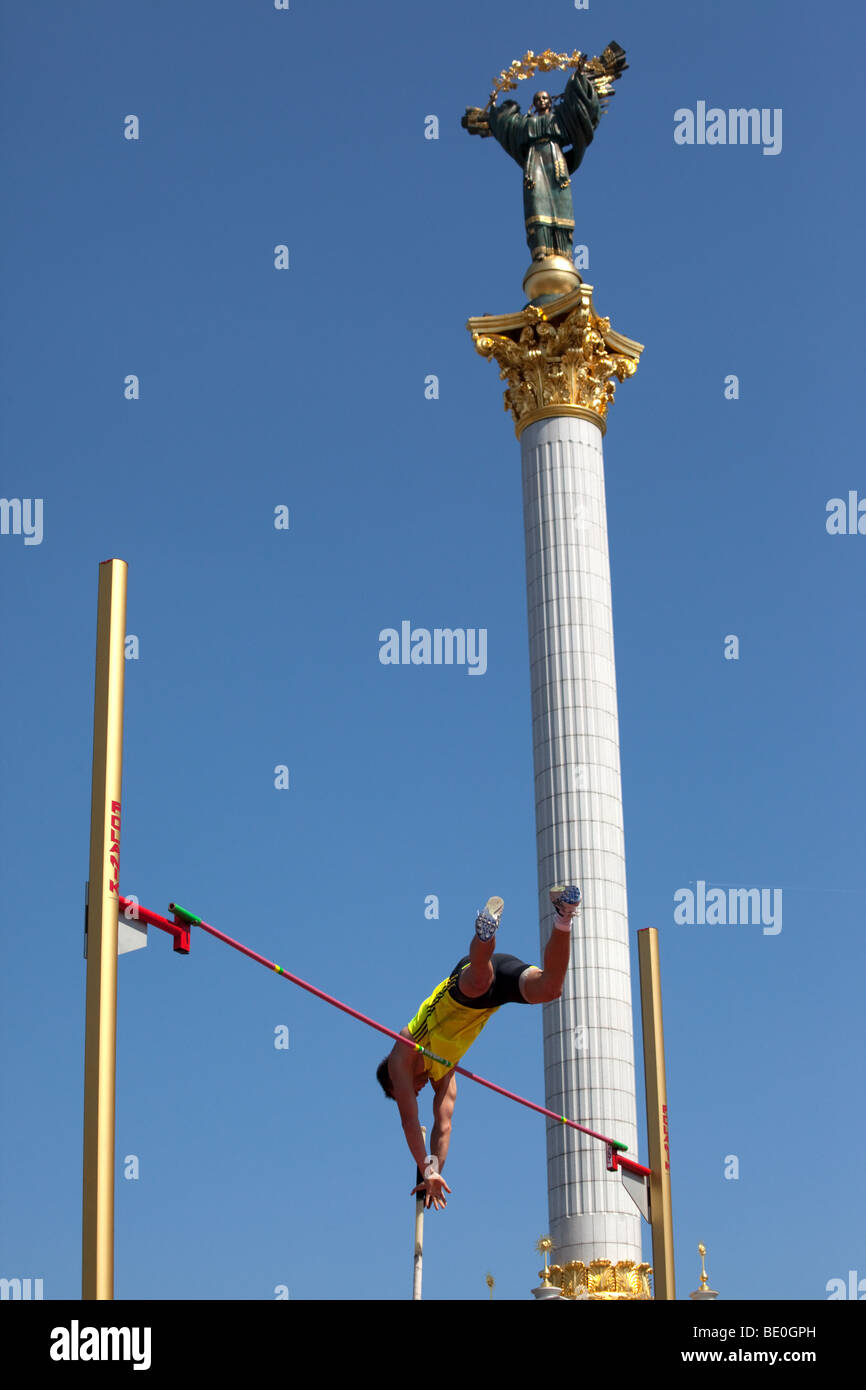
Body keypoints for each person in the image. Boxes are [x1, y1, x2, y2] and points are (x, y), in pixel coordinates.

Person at [376, 886, 582, 1210]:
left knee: (479, 981)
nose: (416, 1091)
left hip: (465, 986)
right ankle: (564, 914)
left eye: (411, 1090)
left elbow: (409, 1121)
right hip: (494, 998)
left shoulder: (402, 1054)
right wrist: (433, 1173)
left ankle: (485, 930)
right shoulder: (445, 1076)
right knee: (550, 988)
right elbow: (442, 1127)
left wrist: (425, 1165)